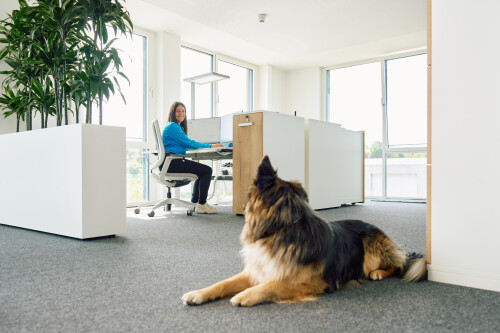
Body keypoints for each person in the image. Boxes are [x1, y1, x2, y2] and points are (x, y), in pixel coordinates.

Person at [162, 101, 223, 214]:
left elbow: (184, 143)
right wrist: (211, 146)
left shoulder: (172, 127)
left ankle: (195, 203)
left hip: (170, 162)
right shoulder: (173, 127)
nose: (181, 113)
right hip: (173, 163)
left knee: (201, 171)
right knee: (207, 170)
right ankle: (202, 204)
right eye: (178, 111)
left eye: (183, 111)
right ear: (172, 112)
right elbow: (189, 143)